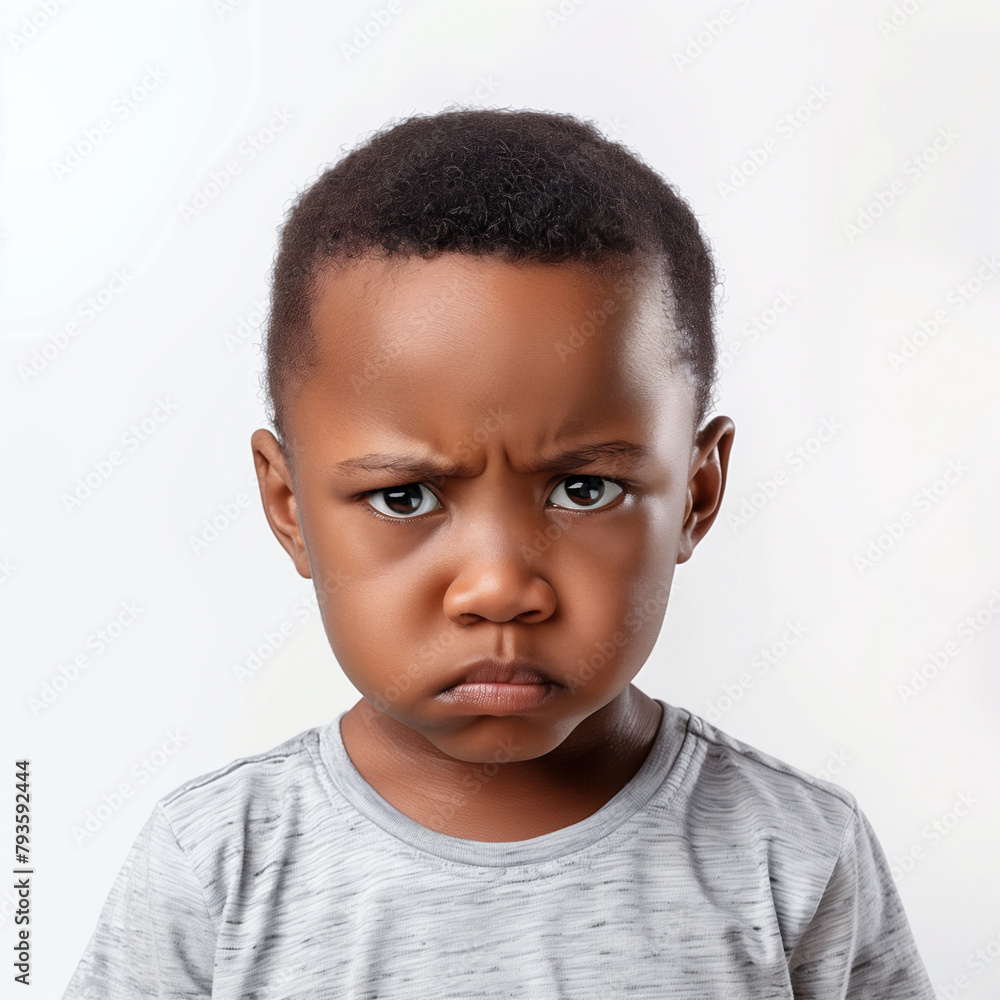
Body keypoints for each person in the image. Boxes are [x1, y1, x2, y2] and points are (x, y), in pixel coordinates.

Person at [63, 108, 935, 998]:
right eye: (405, 497)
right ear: (288, 507)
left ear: (696, 493)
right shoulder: (215, 867)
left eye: (584, 489)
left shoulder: (795, 855)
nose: (499, 588)